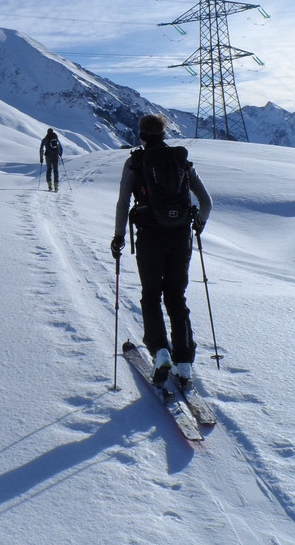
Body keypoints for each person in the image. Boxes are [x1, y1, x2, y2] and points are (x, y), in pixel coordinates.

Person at [111, 113, 212, 388]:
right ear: (165, 133)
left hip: (150, 237)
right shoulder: (181, 161)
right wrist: (197, 225)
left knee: (151, 295)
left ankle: (160, 352)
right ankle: (184, 363)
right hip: (180, 237)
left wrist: (119, 236)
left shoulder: (135, 162)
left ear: (141, 134)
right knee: (177, 298)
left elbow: (122, 203)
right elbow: (206, 201)